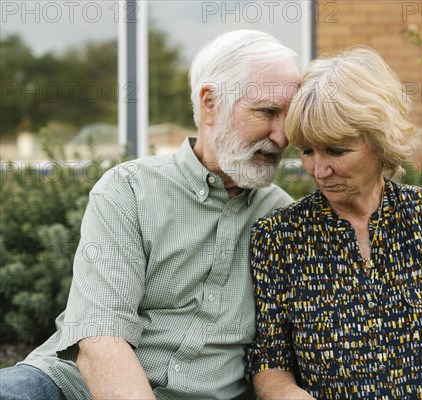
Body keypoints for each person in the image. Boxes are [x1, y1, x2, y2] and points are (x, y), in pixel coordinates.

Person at [0, 30, 301, 400]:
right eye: (268, 112)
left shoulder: (285, 217)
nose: (283, 136)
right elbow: (100, 339)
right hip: (76, 388)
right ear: (210, 103)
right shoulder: (129, 189)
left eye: (292, 116)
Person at [246, 47, 422, 399]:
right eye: (307, 151)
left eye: (336, 151)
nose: (319, 171)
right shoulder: (279, 236)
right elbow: (270, 360)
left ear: (380, 142)